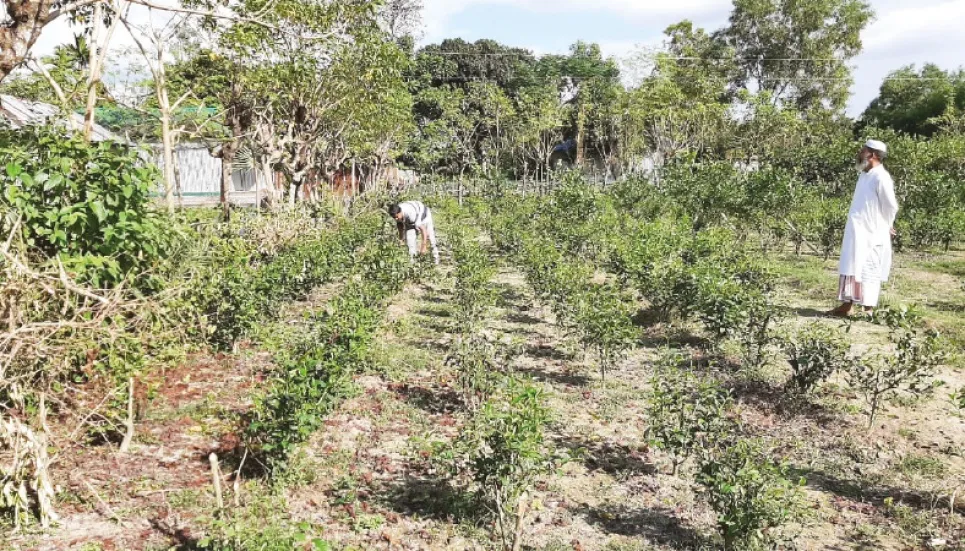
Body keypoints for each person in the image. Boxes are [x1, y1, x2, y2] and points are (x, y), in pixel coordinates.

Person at [829, 139, 899, 317]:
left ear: (873, 155)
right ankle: (847, 305)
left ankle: (868, 309)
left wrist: (887, 225)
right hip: (856, 230)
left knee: (869, 268)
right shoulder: (864, 174)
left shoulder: (881, 177)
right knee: (851, 265)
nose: (860, 153)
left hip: (872, 232)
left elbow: (891, 206)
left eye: (863, 150)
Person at [389, 201, 439, 265]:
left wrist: (423, 246)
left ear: (400, 212)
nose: (395, 219)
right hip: (410, 218)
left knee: (430, 238)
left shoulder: (410, 214)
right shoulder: (396, 211)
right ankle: (413, 264)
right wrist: (401, 239)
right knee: (410, 242)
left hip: (423, 214)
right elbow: (399, 224)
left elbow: (423, 230)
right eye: (394, 217)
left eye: (396, 217)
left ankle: (435, 260)